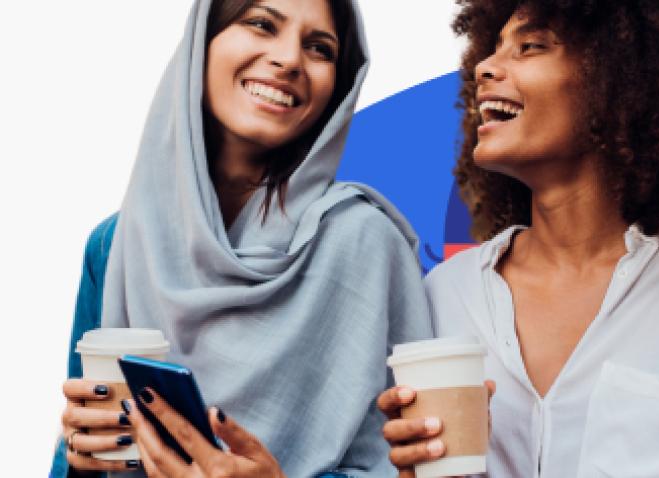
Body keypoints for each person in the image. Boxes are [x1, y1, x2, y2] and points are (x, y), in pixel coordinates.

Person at [378, 0, 659, 476]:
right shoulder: (446, 293)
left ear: (621, 79)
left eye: (531, 47)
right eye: (494, 49)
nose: (484, 68)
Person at [51, 0, 432, 476]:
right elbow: (78, 450)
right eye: (261, 24)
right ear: (201, 43)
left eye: (320, 48)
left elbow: (420, 464)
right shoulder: (115, 246)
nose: (290, 59)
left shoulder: (366, 242)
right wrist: (83, 455)